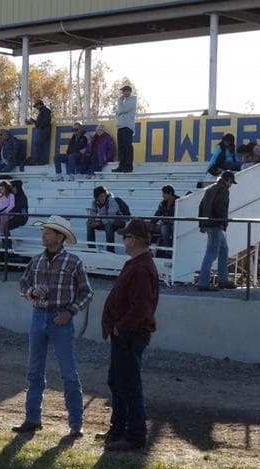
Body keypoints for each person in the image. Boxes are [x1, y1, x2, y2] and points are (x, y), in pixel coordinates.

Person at [13, 215, 94, 437]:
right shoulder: (36, 261)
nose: (44, 235)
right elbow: (23, 284)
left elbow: (87, 293)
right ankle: (32, 418)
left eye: (48, 232)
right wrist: (31, 293)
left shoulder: (74, 262)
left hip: (59, 318)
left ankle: (76, 424)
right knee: (35, 371)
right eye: (45, 231)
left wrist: (69, 312)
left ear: (59, 237)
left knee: (68, 372)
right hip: (40, 315)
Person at [98, 218, 160, 451]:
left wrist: (119, 326)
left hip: (128, 334)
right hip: (127, 333)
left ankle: (133, 435)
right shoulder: (139, 264)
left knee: (127, 384)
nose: (123, 240)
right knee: (118, 381)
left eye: (126, 237)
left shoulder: (141, 267)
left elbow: (141, 308)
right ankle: (119, 429)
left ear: (133, 240)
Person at [197, 170, 237, 290]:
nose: (231, 185)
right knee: (211, 254)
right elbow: (220, 207)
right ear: (228, 180)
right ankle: (203, 283)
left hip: (209, 224)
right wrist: (223, 223)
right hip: (216, 225)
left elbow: (201, 205)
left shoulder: (210, 188)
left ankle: (223, 280)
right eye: (231, 182)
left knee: (224, 250)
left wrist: (201, 224)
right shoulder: (223, 190)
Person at [87, 185, 126, 253]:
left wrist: (99, 223)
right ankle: (91, 248)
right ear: (96, 197)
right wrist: (92, 221)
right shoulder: (94, 202)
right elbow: (93, 212)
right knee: (89, 224)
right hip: (105, 221)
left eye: (104, 196)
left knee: (108, 225)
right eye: (100, 196)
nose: (102, 198)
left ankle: (110, 250)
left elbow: (111, 217)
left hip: (119, 220)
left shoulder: (112, 200)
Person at [113, 85, 137, 172]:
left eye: (125, 91)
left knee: (127, 147)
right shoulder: (124, 101)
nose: (123, 93)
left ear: (129, 92)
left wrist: (120, 102)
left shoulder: (132, 101)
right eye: (123, 91)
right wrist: (120, 109)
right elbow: (117, 114)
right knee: (121, 148)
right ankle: (121, 166)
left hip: (127, 127)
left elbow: (122, 110)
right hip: (121, 126)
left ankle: (128, 166)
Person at [152, 184, 179, 256]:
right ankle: (168, 250)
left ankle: (175, 249)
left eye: (164, 194)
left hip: (177, 224)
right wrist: (152, 223)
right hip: (167, 224)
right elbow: (158, 213)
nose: (163, 196)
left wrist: (163, 221)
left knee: (174, 230)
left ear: (170, 193)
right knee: (164, 229)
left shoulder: (179, 202)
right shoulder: (163, 203)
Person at [27, 99, 52, 165]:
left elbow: (46, 122)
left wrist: (37, 124)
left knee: (37, 145)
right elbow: (42, 122)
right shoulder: (44, 111)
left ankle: (37, 160)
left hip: (43, 131)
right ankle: (41, 161)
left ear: (40, 105)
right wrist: (34, 121)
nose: (36, 108)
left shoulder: (45, 111)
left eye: (36, 106)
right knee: (42, 146)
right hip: (44, 131)